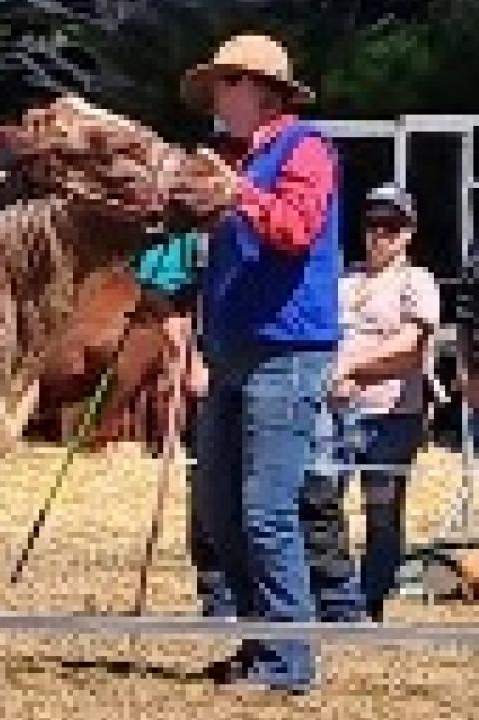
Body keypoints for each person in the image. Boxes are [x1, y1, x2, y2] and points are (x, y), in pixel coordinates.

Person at [181, 33, 342, 693]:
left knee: (267, 509)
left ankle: (288, 660)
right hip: (232, 348)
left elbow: (295, 230)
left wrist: (235, 191)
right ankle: (258, 645)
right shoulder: (235, 157)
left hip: (288, 348)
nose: (217, 98)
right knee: (219, 510)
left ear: (260, 90)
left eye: (226, 84)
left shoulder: (305, 149)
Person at [304, 185, 441, 623]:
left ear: (409, 232)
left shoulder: (417, 282)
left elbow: (411, 345)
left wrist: (351, 368)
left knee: (381, 513)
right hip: (334, 412)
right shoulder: (342, 280)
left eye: (391, 226)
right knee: (323, 505)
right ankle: (334, 597)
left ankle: (371, 599)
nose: (380, 235)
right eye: (372, 225)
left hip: (391, 417)